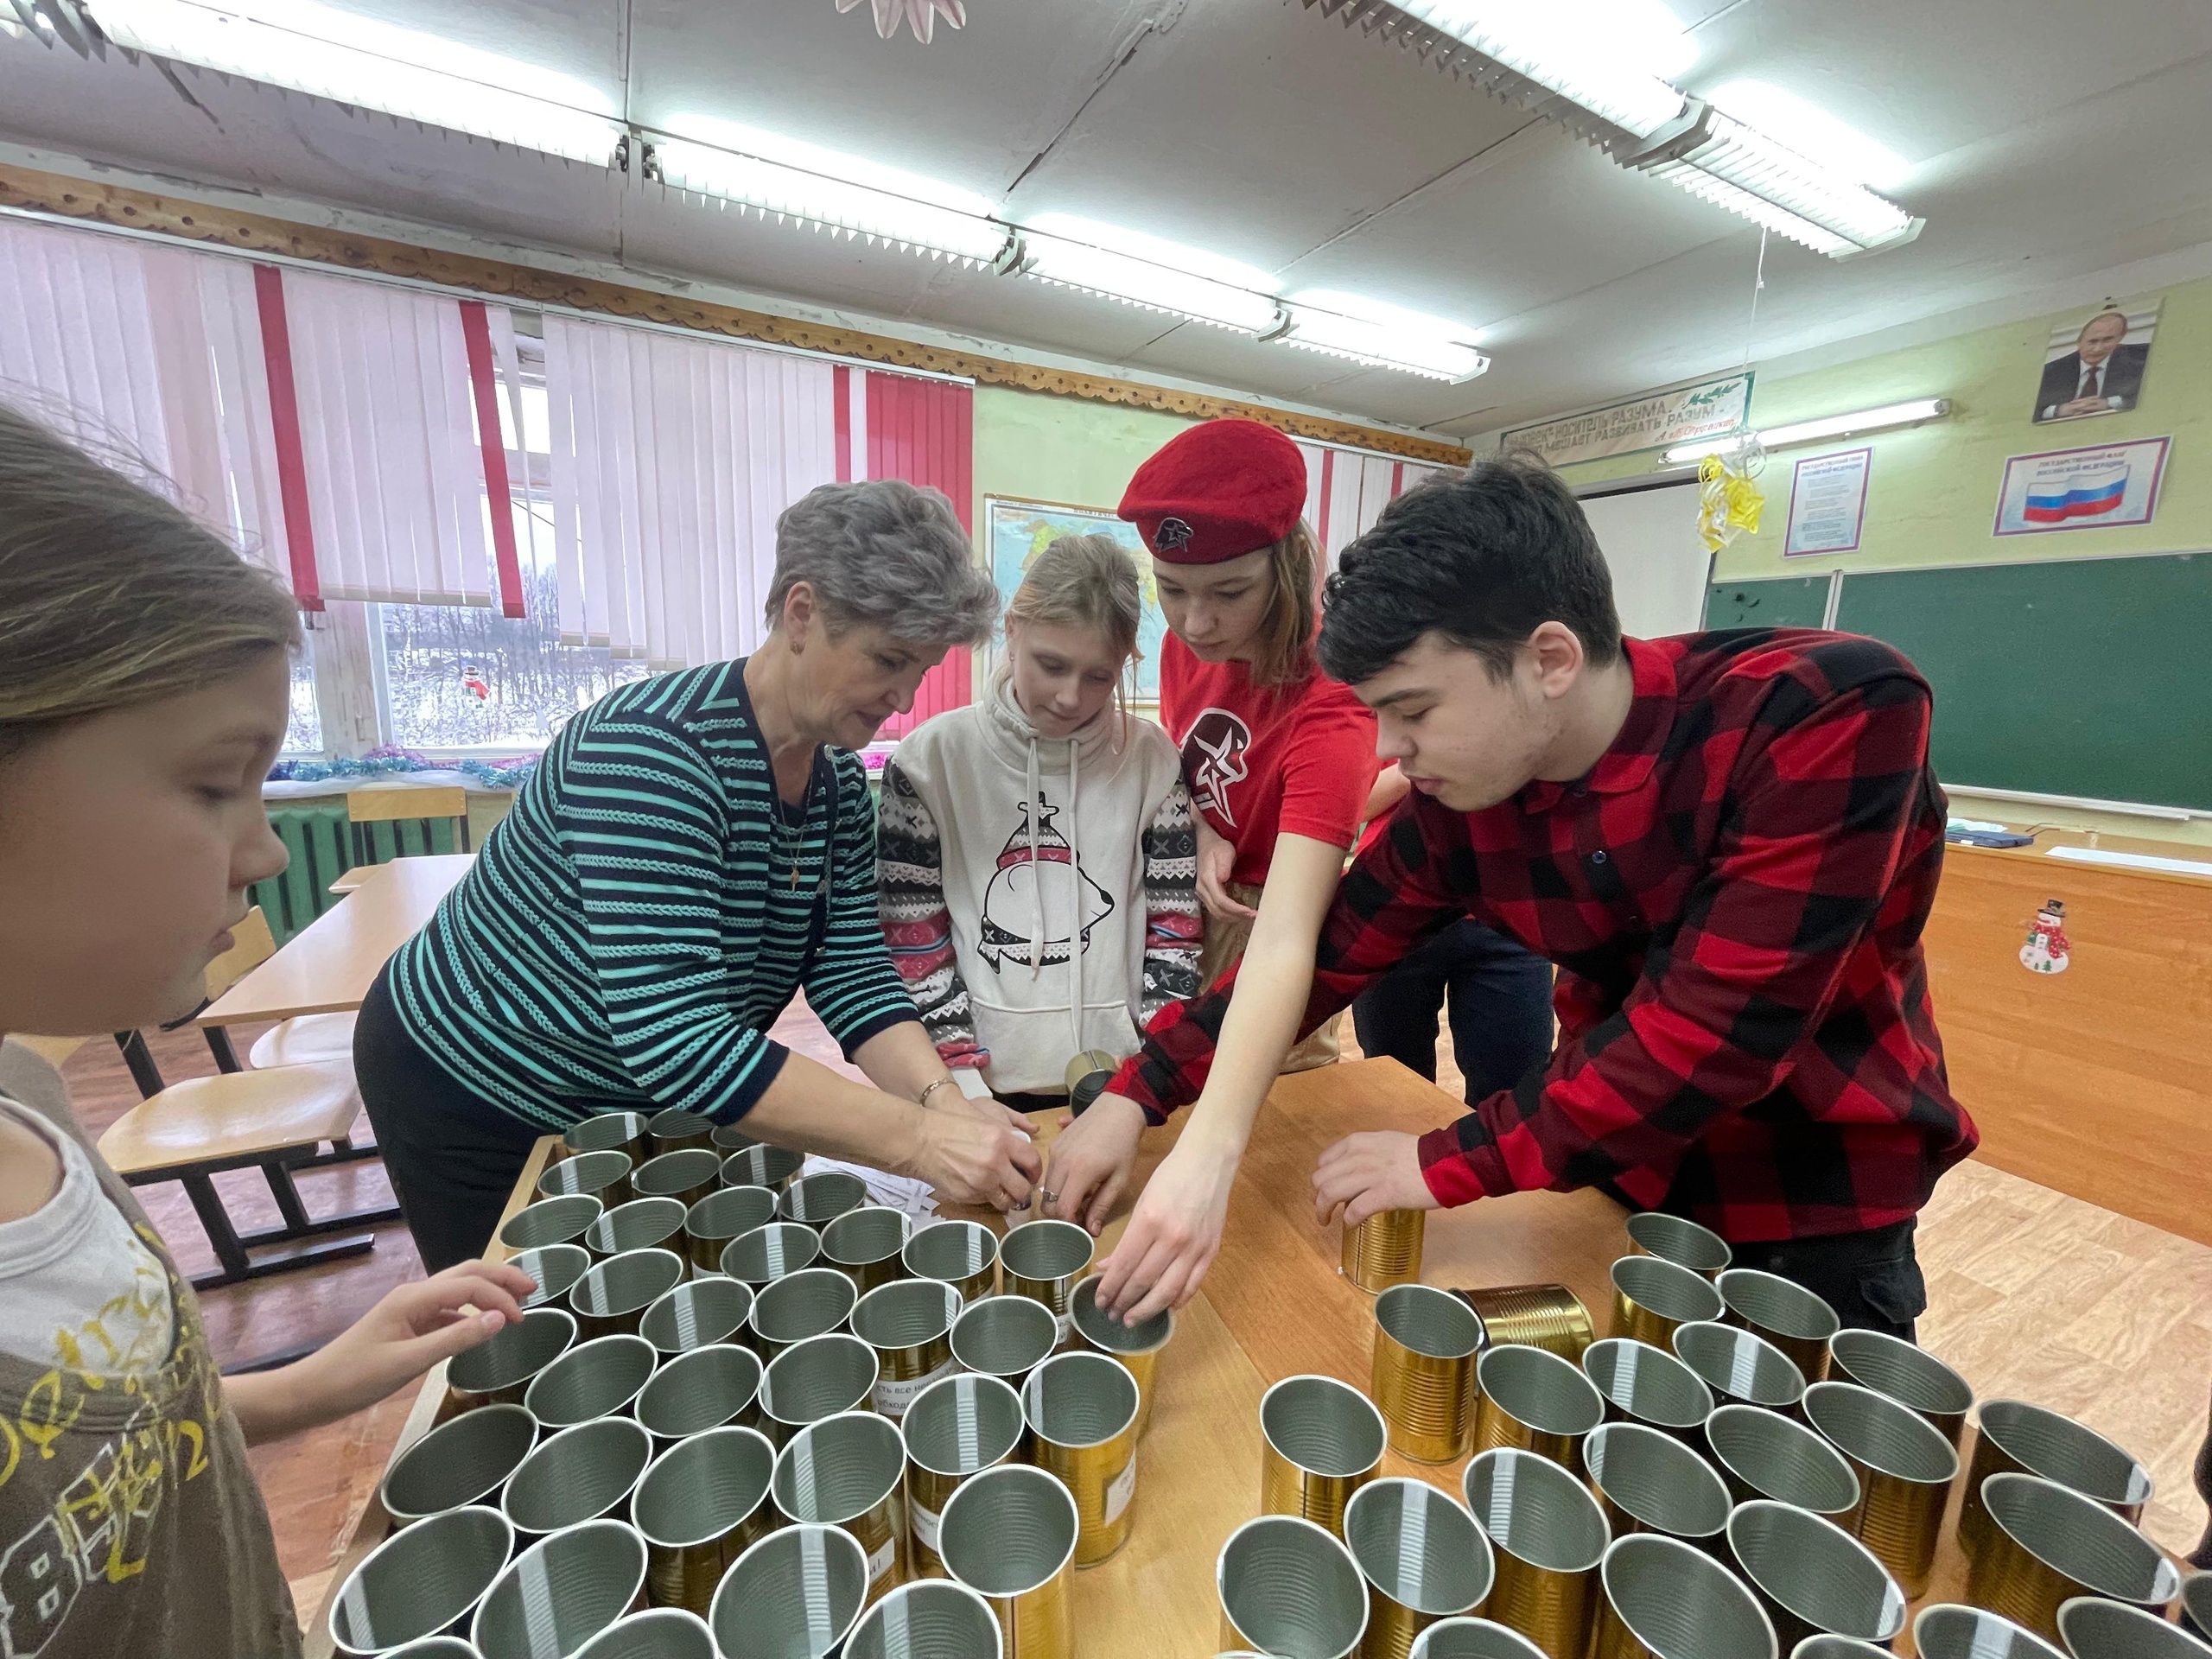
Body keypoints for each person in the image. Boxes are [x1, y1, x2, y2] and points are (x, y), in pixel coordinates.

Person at [1085, 454, 1979, 1335]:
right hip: (1615, 1185)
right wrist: (1137, 1092)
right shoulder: (1465, 796)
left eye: (1415, 710)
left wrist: (1446, 1160)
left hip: (1807, 1213)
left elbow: (1710, 1040)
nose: (1390, 755)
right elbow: (1322, 959)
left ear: (1549, 657)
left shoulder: (1825, 711)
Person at [0, 404, 536, 1656]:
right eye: (212, 783)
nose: (268, 848)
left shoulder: (28, 1105)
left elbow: (127, 1444)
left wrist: (316, 1380)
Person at [358, 479, 1043, 1271]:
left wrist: (945, 1106)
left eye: (920, 669)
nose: (902, 697)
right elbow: (678, 1040)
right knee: (525, 1317)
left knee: (643, 1281)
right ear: (801, 613)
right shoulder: (651, 755)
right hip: (474, 1082)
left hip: (628, 1091)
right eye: (889, 660)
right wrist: (920, 1143)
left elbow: (852, 973)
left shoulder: (839, 788)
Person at [1042, 417, 1380, 1253]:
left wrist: (1209, 1157)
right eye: (1171, 589)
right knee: (1164, 1066)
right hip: (1186, 885)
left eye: (1228, 593)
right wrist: (1195, 820)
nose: (1193, 623)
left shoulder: (1332, 695)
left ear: (1288, 564)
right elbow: (1187, 744)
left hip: (1274, 910)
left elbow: (1289, 943)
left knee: (1261, 1101)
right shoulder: (1193, 640)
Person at [877, 533, 1200, 1113]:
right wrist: (961, 1085)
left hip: (1130, 1084)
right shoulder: (931, 761)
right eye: (1051, 665)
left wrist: (1158, 1064)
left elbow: (1174, 929)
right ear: (1013, 628)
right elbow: (913, 939)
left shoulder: (1151, 760)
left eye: (1099, 676)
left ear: (1127, 660)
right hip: (983, 1089)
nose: (1071, 697)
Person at [1348, 764, 1554, 1104]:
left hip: (1509, 909)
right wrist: (1423, 762)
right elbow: (1347, 808)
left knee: (1516, 1091)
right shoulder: (1373, 715)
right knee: (1394, 1088)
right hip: (1395, 908)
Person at [2034, 309, 2147, 421]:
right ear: (2079, 342)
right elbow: (2029, 411)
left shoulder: (2142, 358)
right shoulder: (2051, 371)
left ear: (2120, 337)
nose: (2098, 348)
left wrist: (2109, 403)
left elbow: (2153, 395)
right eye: (2092, 341)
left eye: (2108, 340)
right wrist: (2058, 410)